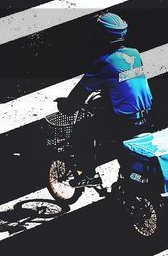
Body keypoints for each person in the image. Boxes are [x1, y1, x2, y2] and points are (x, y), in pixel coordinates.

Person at [55, 12, 153, 187]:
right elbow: (123, 84)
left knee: (82, 131)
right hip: (145, 114)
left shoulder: (104, 63)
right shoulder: (134, 54)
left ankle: (89, 175)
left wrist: (67, 106)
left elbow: (80, 93)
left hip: (124, 121)